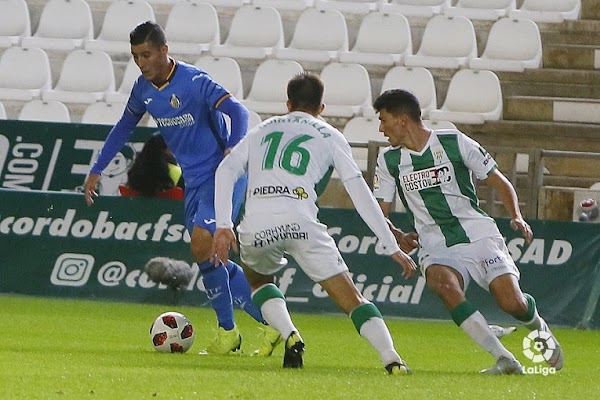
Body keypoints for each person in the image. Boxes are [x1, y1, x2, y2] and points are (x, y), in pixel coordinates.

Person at [83, 21, 281, 356]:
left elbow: (238, 111)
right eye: (135, 56)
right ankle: (256, 326)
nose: (141, 62)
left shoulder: (194, 82)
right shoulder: (143, 90)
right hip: (193, 183)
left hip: (221, 178)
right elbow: (123, 127)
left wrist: (233, 148)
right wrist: (97, 169)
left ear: (164, 50)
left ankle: (241, 329)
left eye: (146, 54)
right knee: (209, 257)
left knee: (202, 245)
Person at [211, 72, 418, 374]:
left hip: (257, 223)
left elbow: (226, 170)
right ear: (321, 107)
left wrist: (223, 223)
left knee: (258, 280)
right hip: (302, 222)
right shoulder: (330, 134)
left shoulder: (261, 130)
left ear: (288, 103)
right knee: (353, 300)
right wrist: (390, 243)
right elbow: (359, 191)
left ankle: (289, 333)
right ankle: (392, 359)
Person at [371, 89, 564, 374]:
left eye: (384, 120)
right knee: (445, 286)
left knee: (513, 303)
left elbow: (498, 181)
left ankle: (537, 326)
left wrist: (517, 216)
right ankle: (505, 359)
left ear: (401, 120)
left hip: (478, 234)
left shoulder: (452, 142)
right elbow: (379, 212)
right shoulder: (389, 161)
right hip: (435, 244)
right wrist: (398, 235)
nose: (381, 127)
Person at [118, 132, 184, 199]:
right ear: (167, 149)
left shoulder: (134, 172)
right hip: (167, 209)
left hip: (137, 209)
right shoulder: (178, 172)